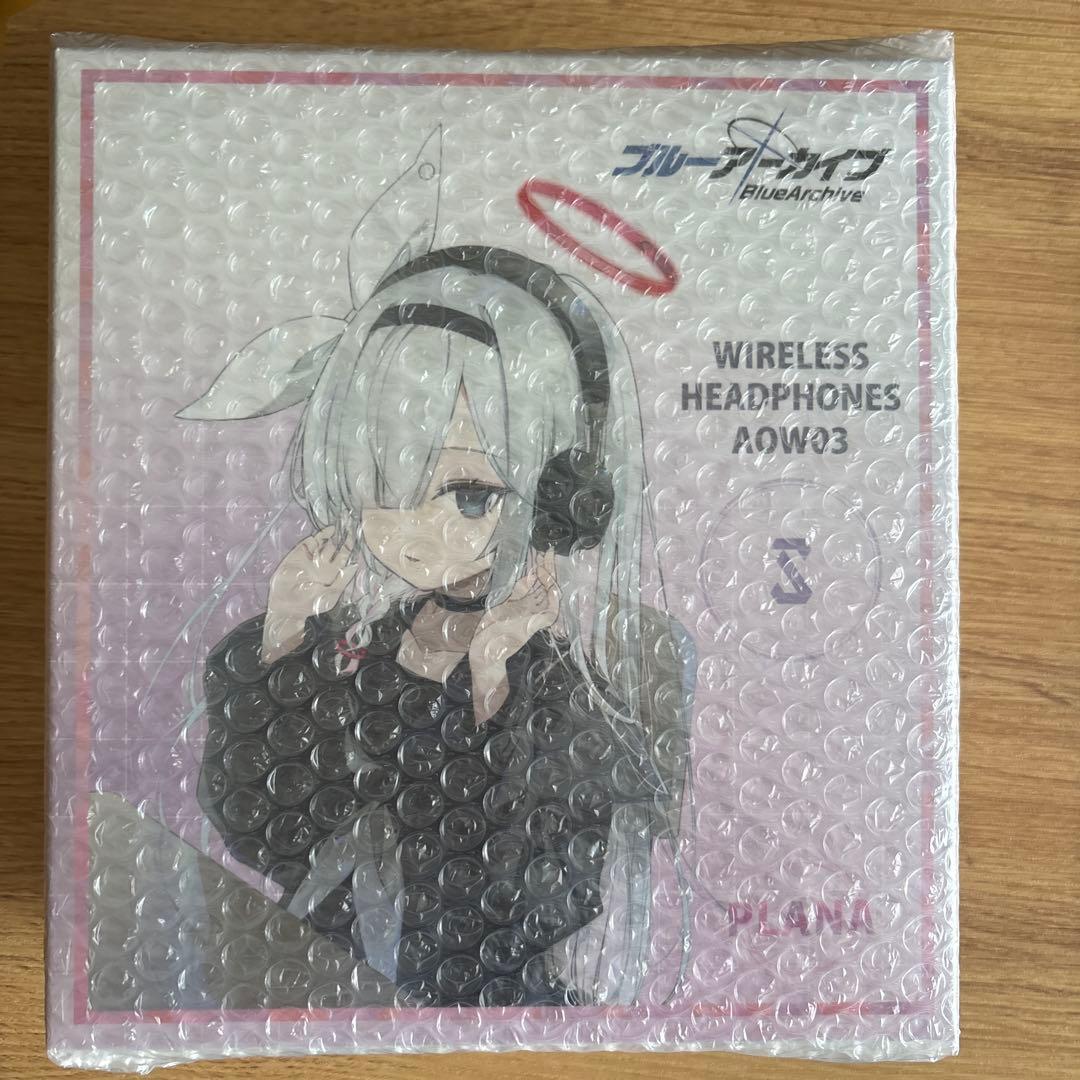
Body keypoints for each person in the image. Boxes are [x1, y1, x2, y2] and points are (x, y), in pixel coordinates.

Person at [180, 133, 692, 1008]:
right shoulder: (356, 651)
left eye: (466, 494)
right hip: (326, 996)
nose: (410, 533)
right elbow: (263, 826)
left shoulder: (561, 696)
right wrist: (284, 633)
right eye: (379, 490)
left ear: (565, 500)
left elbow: (542, 896)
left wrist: (492, 675)